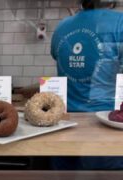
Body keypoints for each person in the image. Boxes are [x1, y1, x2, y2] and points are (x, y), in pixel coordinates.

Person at [50, 0, 123, 169]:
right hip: (105, 126)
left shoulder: (62, 26)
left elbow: (56, 55)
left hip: (64, 123)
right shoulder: (120, 23)